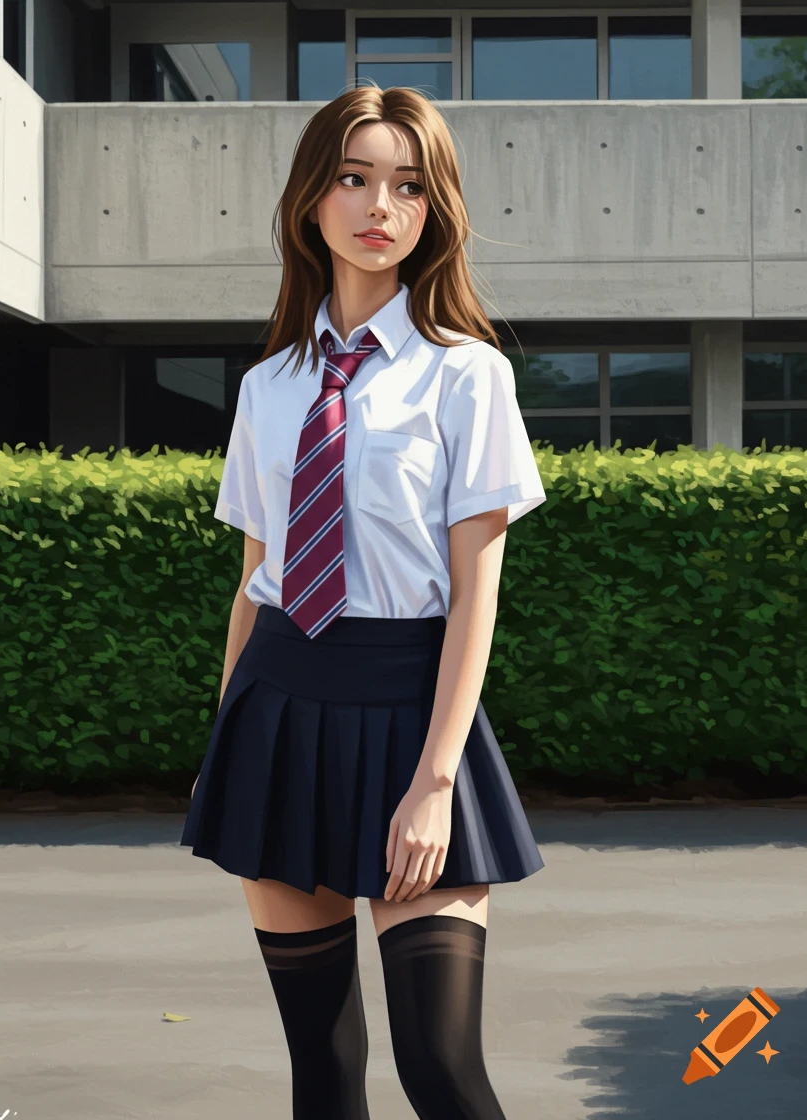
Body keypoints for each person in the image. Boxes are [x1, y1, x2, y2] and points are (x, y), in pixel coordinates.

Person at [180, 84, 548, 1119]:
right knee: (323, 1071)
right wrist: (225, 737)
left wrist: (435, 778)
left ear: (435, 212)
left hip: (408, 713)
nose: (377, 205)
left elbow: (476, 589)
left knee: (438, 1065)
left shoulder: (463, 376)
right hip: (278, 708)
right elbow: (257, 576)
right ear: (311, 198)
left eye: (406, 185)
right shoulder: (269, 387)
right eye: (352, 177)